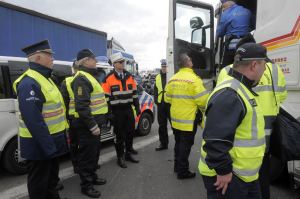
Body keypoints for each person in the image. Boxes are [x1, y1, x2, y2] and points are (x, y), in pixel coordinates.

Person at [217, 38, 287, 199]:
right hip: (267, 131)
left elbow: (224, 104)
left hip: (242, 136)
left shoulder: (226, 71)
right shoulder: (275, 70)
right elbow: (282, 96)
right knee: (263, 174)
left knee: (241, 180)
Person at [199, 43, 268, 199]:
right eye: (264, 65)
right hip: (229, 177)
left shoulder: (240, 89)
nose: (264, 70)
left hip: (242, 175)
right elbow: (215, 140)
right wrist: (223, 171)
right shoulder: (231, 93)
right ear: (254, 65)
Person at [13, 40, 69, 199]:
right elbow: (34, 122)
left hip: (49, 143)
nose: (53, 58)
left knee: (51, 181)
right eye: (49, 55)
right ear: (38, 58)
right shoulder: (29, 83)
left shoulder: (46, 78)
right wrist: (50, 148)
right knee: (39, 185)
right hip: (39, 146)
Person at [165, 53, 209, 179]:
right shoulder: (194, 79)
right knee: (185, 146)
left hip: (175, 119)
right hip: (188, 120)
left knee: (178, 143)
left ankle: (177, 166)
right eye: (190, 59)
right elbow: (203, 101)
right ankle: (182, 171)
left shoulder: (173, 78)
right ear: (188, 63)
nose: (191, 60)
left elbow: (167, 99)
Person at [71, 49, 108, 198]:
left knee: (94, 154)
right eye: (93, 58)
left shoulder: (90, 76)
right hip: (87, 126)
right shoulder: (81, 78)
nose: (96, 61)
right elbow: (82, 106)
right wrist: (93, 126)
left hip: (94, 124)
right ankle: (86, 186)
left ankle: (92, 177)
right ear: (85, 61)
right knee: (87, 156)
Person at [102, 52, 141, 168]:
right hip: (116, 111)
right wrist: (109, 113)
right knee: (119, 136)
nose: (123, 64)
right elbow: (105, 98)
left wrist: (137, 106)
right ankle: (120, 157)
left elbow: (134, 93)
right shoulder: (108, 78)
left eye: (123, 62)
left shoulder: (129, 76)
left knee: (130, 133)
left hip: (128, 110)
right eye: (120, 62)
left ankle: (128, 153)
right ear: (114, 64)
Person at [217, 0, 252, 68]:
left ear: (228, 3)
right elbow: (253, 26)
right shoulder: (248, 11)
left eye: (223, 6)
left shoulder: (226, 14)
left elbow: (219, 33)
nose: (223, 9)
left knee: (226, 68)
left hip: (232, 47)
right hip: (247, 45)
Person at [61, 61, 80, 174]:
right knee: (75, 143)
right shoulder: (67, 81)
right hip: (74, 118)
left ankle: (81, 164)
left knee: (81, 143)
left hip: (81, 117)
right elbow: (64, 102)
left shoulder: (86, 79)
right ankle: (76, 165)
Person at [154, 59, 170, 151]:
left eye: (165, 66)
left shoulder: (171, 76)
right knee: (162, 125)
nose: (164, 68)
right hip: (161, 104)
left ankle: (179, 143)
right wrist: (156, 100)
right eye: (162, 66)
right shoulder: (157, 77)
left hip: (170, 104)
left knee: (174, 125)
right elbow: (155, 89)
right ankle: (163, 144)